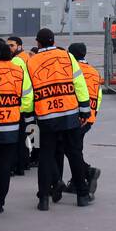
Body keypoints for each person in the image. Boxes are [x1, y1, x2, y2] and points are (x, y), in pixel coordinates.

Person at [24, 28, 92, 210]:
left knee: (46, 157)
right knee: (74, 154)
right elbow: (79, 84)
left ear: (38, 43)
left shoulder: (31, 62)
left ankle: (44, 199)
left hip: (46, 116)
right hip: (69, 113)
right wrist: (84, 110)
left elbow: (28, 93)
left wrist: (29, 117)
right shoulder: (67, 57)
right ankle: (83, 195)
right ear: (53, 41)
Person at [0, 39, 33, 215]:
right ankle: (0, 202)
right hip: (11, 124)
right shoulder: (18, 70)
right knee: (5, 165)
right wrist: (17, 110)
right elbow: (27, 98)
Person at [64, 43, 103, 198]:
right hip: (90, 116)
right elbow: (99, 96)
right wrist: (93, 114)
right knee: (76, 149)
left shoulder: (72, 70)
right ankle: (75, 182)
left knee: (69, 149)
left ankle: (88, 172)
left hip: (76, 116)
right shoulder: (94, 72)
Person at [7, 35, 30, 175]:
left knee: (19, 137)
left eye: (12, 45)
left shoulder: (16, 60)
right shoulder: (26, 57)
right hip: (30, 101)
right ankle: (27, 161)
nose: (9, 48)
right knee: (28, 134)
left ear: (19, 46)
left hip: (21, 103)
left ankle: (19, 164)